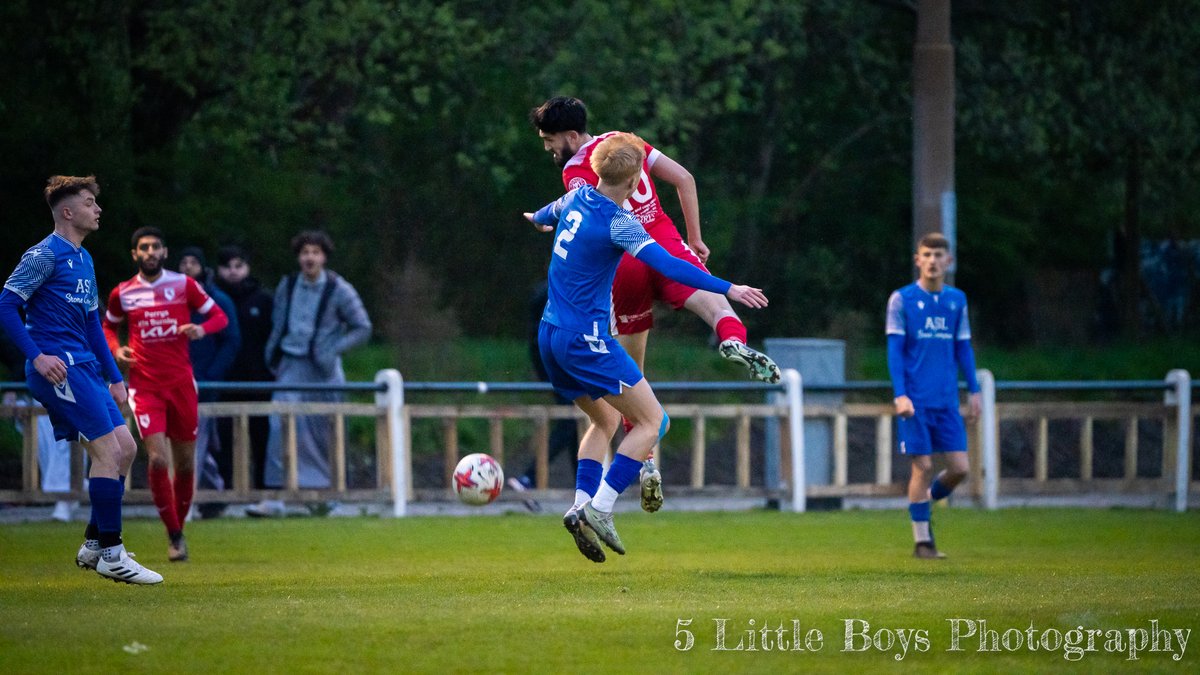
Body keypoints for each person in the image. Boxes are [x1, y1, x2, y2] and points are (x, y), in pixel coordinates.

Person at [530, 96, 782, 513]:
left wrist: (543, 218)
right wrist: (698, 242)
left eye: (549, 140)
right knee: (718, 308)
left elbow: (578, 210)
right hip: (664, 242)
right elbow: (684, 179)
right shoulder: (626, 143)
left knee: (628, 387)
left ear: (572, 137)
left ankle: (633, 472)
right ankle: (729, 336)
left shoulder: (580, 176)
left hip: (617, 269)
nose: (548, 148)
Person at [0, 175, 161, 583]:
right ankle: (112, 552)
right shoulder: (43, 255)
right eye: (90, 202)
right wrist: (36, 357)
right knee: (107, 452)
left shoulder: (84, 259)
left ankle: (94, 542)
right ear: (68, 212)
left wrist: (113, 376)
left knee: (125, 448)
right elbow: (6, 305)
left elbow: (93, 326)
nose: (98, 209)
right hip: (59, 367)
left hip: (86, 365)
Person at [103, 227, 228, 561]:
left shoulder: (183, 285)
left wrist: (201, 328)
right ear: (135, 254)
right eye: (144, 247)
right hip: (145, 386)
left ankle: (179, 526)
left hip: (182, 383)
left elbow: (219, 316)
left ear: (164, 252)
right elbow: (106, 327)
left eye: (156, 246)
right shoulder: (123, 293)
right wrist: (117, 349)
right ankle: (174, 535)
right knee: (158, 458)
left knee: (186, 464)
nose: (150, 252)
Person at [247, 230, 371, 517]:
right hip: (290, 365)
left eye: (315, 252)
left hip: (324, 370)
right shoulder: (288, 285)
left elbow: (362, 327)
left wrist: (333, 348)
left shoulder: (339, 289)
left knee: (325, 431)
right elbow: (279, 322)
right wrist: (272, 353)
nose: (309, 257)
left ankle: (329, 497)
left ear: (324, 257)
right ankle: (274, 497)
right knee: (278, 426)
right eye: (305, 252)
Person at [885, 232, 982, 559]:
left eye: (939, 255)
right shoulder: (902, 300)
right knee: (923, 464)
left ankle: (924, 501)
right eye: (926, 255)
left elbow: (963, 348)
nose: (932, 261)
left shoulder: (957, 300)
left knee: (960, 468)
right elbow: (895, 352)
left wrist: (975, 390)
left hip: (946, 400)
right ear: (917, 260)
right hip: (915, 401)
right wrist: (901, 395)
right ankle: (922, 542)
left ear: (948, 261)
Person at [505, 281, 580, 513]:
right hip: (555, 358)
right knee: (569, 422)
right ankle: (529, 479)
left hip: (551, 357)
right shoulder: (556, 291)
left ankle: (583, 491)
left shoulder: (552, 288)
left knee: (573, 422)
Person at [178, 246, 241, 517]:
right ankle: (215, 493)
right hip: (176, 379)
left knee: (196, 441)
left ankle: (185, 503)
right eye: (184, 261)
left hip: (205, 384)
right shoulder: (169, 301)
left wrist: (212, 376)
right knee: (189, 441)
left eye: (194, 262)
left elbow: (231, 340)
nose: (189, 266)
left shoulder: (218, 301)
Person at [213, 244, 275, 489]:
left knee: (262, 439)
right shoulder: (211, 299)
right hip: (224, 380)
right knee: (224, 440)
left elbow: (273, 337)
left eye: (239, 266)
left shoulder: (264, 299)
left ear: (248, 267)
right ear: (219, 269)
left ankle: (263, 490)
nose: (233, 272)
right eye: (227, 267)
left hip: (259, 381)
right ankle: (224, 491)